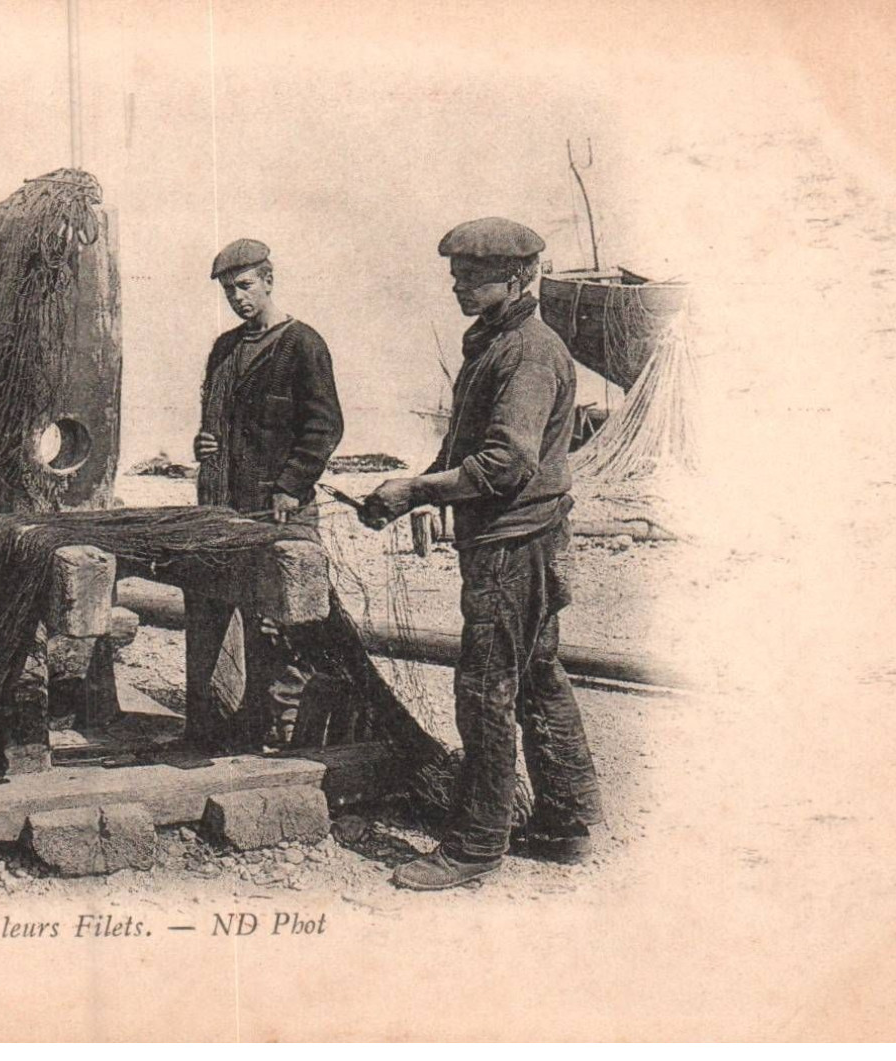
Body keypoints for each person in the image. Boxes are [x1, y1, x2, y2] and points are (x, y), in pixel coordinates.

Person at [360, 217, 602, 890]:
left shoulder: (526, 352)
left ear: (521, 275)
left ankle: (474, 845)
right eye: (455, 273)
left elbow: (503, 463)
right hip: (519, 539)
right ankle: (564, 823)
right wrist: (419, 492)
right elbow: (468, 447)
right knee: (535, 676)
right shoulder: (495, 343)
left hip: (512, 546)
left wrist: (413, 488)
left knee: (485, 690)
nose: (457, 284)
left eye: (472, 274)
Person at [187, 238, 344, 750]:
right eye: (229, 290)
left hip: (280, 511)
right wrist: (204, 442)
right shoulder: (225, 349)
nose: (237, 297)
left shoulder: (303, 344)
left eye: (246, 285)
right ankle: (236, 729)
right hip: (228, 511)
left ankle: (287, 738)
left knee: (282, 626)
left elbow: (323, 428)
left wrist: (290, 488)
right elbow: (218, 423)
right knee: (223, 615)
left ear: (269, 281)